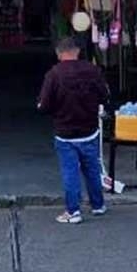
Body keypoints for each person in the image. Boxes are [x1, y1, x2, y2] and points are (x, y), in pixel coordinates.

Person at [38, 37, 109, 224]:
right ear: (77, 51)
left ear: (59, 53)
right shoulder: (92, 71)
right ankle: (98, 205)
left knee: (70, 172)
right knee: (92, 169)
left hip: (65, 133)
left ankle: (73, 211)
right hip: (90, 130)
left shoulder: (54, 74)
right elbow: (105, 96)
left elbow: (44, 105)